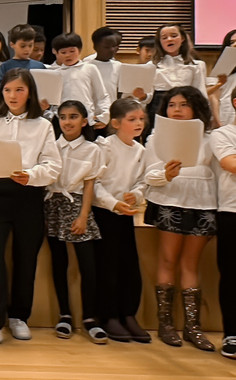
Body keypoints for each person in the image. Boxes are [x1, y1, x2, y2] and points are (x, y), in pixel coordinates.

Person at [0, 68, 61, 351]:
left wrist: (31, 175)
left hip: (29, 197)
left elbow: (53, 166)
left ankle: (20, 315)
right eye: (8, 90)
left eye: (19, 90)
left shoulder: (43, 125)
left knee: (26, 258)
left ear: (29, 91)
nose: (13, 95)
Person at [143, 86, 216, 351]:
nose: (176, 110)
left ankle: (193, 327)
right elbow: (149, 175)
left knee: (190, 264)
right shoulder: (155, 138)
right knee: (167, 259)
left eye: (183, 104)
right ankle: (166, 325)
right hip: (168, 201)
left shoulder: (210, 138)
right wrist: (167, 175)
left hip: (204, 204)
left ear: (196, 107)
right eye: (172, 105)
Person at [45, 100, 107, 344]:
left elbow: (90, 184)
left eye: (73, 117)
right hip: (52, 205)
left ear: (84, 121)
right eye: (63, 117)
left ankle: (90, 317)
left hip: (77, 205)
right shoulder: (51, 146)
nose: (67, 122)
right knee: (59, 262)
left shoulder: (92, 149)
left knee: (88, 265)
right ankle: (64, 314)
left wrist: (83, 215)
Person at [92, 98, 150, 343]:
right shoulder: (104, 147)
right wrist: (113, 203)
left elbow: (142, 181)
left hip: (125, 214)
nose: (138, 123)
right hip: (104, 214)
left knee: (130, 267)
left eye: (141, 119)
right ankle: (109, 315)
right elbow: (93, 183)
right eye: (132, 119)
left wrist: (135, 194)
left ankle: (128, 314)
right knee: (108, 267)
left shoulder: (140, 150)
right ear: (115, 123)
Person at [145, 24, 208, 143]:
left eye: (174, 36)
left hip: (187, 106)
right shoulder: (151, 65)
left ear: (182, 39)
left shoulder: (196, 65)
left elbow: (200, 92)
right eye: (164, 37)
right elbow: (148, 96)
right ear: (159, 42)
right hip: (159, 107)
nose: (169, 39)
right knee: (161, 142)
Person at [210, 88, 236, 359]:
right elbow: (230, 163)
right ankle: (232, 333)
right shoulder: (223, 134)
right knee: (231, 275)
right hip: (231, 210)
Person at [50, 33, 111, 129]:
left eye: (72, 51)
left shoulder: (90, 68)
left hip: (86, 119)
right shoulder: (55, 73)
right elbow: (53, 102)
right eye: (63, 52)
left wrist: (105, 116)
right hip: (63, 121)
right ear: (56, 53)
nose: (68, 55)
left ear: (79, 50)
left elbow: (102, 95)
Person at [0, 24, 46, 97]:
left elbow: (45, 90)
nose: (27, 49)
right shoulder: (5, 66)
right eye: (23, 46)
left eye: (30, 45)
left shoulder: (39, 66)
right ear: (12, 44)